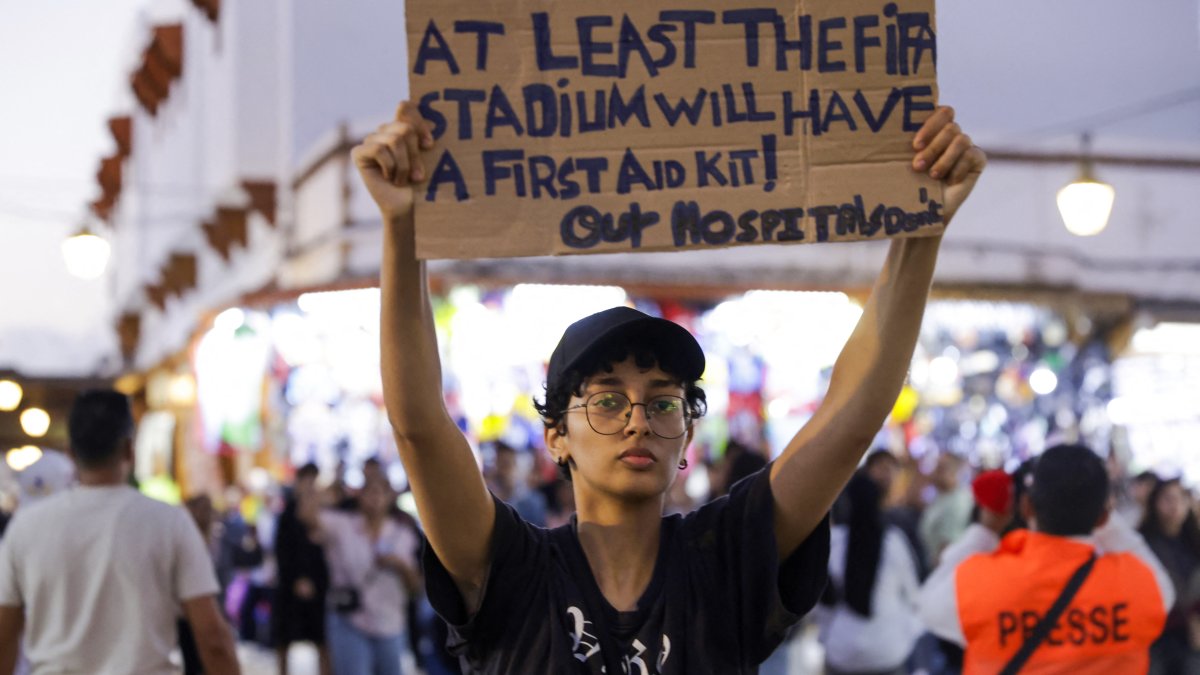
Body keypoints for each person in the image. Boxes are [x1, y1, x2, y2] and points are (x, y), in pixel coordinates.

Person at [353, 97, 984, 673]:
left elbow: (851, 417)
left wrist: (921, 231)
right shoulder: (511, 567)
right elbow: (419, 427)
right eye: (606, 399)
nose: (637, 420)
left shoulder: (727, 558)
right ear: (557, 438)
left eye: (663, 402)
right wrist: (402, 230)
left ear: (685, 439)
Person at [0, 390, 239, 674]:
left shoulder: (26, 527)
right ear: (129, 449)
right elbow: (212, 637)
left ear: (71, 454)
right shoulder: (170, 522)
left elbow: (4, 636)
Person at [918, 444, 1175, 674]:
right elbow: (1162, 587)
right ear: (1103, 516)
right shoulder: (1138, 584)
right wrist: (1104, 518)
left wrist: (986, 529)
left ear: (1026, 507)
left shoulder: (980, 582)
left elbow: (929, 605)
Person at [301, 473, 421, 675]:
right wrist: (318, 490)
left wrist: (398, 565)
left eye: (379, 493)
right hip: (349, 619)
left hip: (389, 621)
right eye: (369, 493)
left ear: (389, 497)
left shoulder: (402, 534)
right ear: (359, 496)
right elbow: (307, 517)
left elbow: (415, 586)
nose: (374, 499)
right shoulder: (343, 525)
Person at [817, 474, 923, 674]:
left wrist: (827, 637)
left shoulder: (834, 543)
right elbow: (913, 596)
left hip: (841, 651)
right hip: (888, 651)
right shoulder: (894, 542)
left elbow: (823, 602)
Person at [274, 463, 332, 675]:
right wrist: (296, 578)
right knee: (284, 638)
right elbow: (282, 549)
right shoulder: (287, 513)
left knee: (322, 638)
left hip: (319, 582)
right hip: (289, 583)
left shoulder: (325, 511)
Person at [1139, 478, 1200, 674]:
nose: (1175, 505)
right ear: (1154, 502)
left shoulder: (1193, 542)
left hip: (1191, 637)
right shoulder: (1142, 545)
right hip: (1157, 636)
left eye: (1181, 499)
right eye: (1167, 499)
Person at [919, 452, 974, 566]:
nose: (934, 473)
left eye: (941, 469)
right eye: (936, 467)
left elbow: (947, 549)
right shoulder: (942, 496)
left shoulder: (959, 502)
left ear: (955, 472)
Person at [486, 442, 548, 526]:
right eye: (499, 464)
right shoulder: (488, 494)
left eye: (506, 464)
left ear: (515, 465)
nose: (502, 471)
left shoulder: (532, 500)